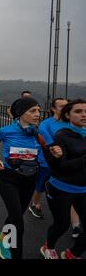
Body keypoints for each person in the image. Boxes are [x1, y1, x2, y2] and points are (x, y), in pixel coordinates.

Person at [0, 97, 44, 259]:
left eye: (39, 110)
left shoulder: (37, 133)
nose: (37, 114)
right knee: (19, 225)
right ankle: (15, 254)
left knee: (15, 215)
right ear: (20, 114)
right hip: (9, 180)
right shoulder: (7, 131)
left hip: (30, 180)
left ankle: (2, 237)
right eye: (32, 111)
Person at [40, 99, 86, 259]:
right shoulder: (62, 136)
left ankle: (72, 254)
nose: (84, 115)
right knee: (62, 224)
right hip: (61, 188)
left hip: (83, 189)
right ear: (68, 114)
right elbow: (59, 167)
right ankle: (48, 247)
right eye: (78, 111)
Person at [28, 98, 68, 219]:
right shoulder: (46, 124)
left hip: (66, 162)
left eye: (67, 106)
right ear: (54, 109)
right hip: (47, 161)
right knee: (41, 184)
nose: (65, 108)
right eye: (61, 106)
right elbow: (49, 145)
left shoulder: (71, 123)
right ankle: (34, 204)